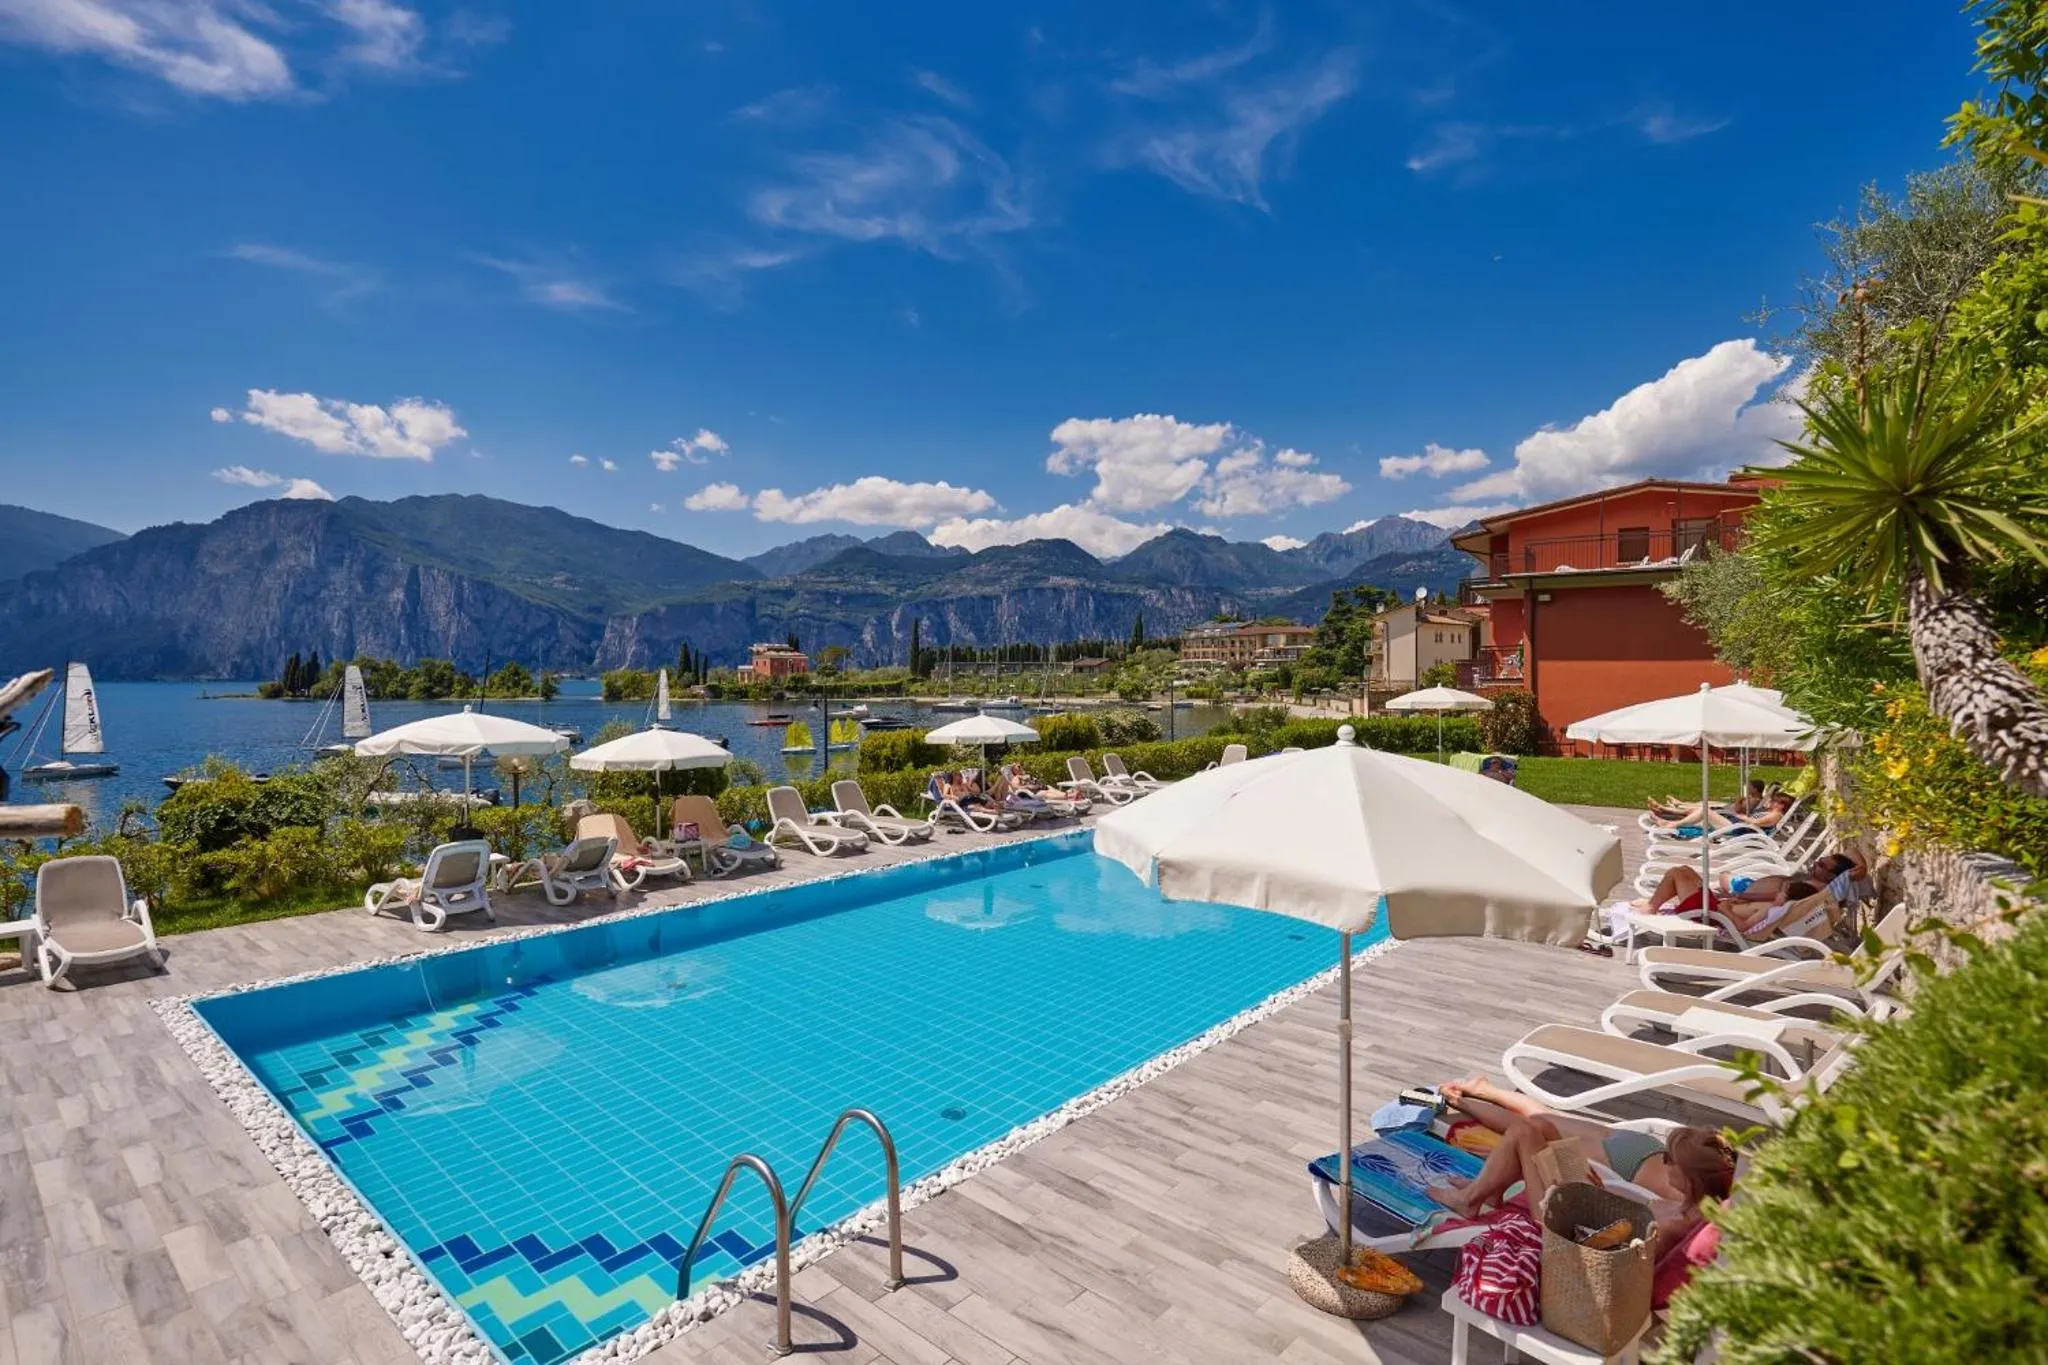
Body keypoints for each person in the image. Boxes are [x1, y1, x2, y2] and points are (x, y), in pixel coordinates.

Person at [1427, 1078, 1736, 1247]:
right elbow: (1638, 1207)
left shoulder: (1673, 1227)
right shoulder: (1688, 1208)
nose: (1666, 1164)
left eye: (1671, 1161)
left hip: (1558, 1227)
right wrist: (1603, 1192)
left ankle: (1471, 1199)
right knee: (1540, 1126)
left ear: (1690, 1179)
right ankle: (1488, 1190)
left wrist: (1581, 1198)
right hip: (1590, 1203)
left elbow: (1609, 1256)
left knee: (1526, 1130)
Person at [1635, 851, 1860, 932]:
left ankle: (1652, 907)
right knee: (1685, 871)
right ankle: (1652, 904)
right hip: (1717, 908)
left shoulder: (1775, 907)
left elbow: (1743, 927)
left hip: (1712, 915)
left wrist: (1725, 906)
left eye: (1822, 865)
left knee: (1677, 872)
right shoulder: (1784, 902)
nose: (1816, 863)